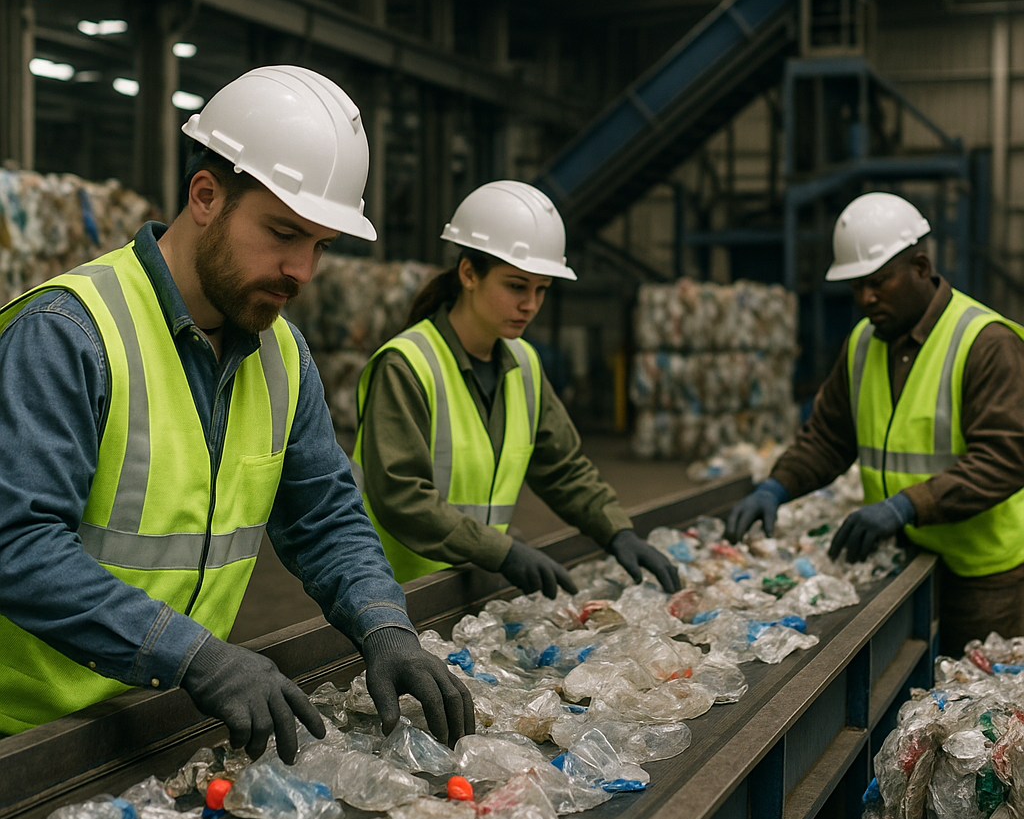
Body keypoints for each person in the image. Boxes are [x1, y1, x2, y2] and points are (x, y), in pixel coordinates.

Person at [0, 65, 473, 760]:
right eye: (282, 233)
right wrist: (196, 655)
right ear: (205, 196)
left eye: (319, 245)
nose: (301, 271)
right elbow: (17, 544)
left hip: (166, 721)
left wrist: (385, 627)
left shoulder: (283, 356)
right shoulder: (70, 334)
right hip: (26, 742)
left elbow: (326, 516)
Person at [726, 191, 1024, 656]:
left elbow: (1005, 458)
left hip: (982, 577)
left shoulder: (985, 342)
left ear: (921, 268)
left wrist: (905, 505)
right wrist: (776, 487)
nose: (865, 298)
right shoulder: (863, 343)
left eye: (879, 282)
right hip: (901, 562)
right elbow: (828, 437)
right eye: (855, 287)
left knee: (975, 700)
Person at [352, 180, 681, 599]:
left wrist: (617, 532)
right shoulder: (408, 365)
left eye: (541, 289)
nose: (531, 304)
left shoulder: (523, 365)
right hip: (395, 595)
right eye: (516, 286)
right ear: (469, 273)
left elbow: (562, 468)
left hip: (470, 588)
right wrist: (503, 552)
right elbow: (402, 497)